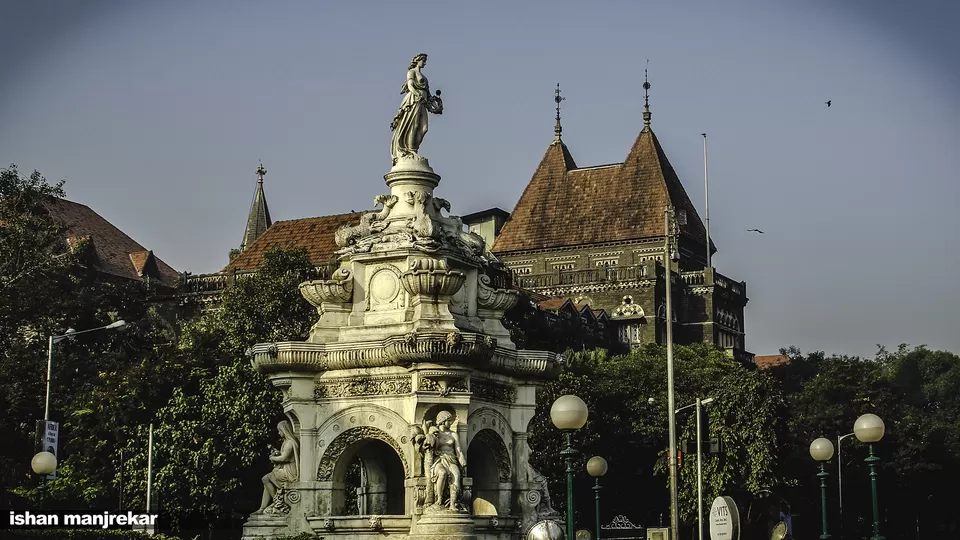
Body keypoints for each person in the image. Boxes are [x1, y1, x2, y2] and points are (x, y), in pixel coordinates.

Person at [390, 53, 442, 164]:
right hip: (413, 101)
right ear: (418, 60)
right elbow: (410, 86)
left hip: (422, 102)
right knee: (414, 125)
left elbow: (428, 96)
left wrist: (436, 106)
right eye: (423, 60)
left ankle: (413, 149)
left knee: (424, 128)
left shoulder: (424, 77)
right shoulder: (412, 72)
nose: (425, 63)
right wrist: (417, 95)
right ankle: (411, 151)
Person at [425, 410, 466, 511]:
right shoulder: (435, 433)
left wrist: (463, 461)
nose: (451, 423)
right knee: (442, 473)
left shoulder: (453, 434)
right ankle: (439, 499)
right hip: (439, 460)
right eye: (449, 420)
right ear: (442, 421)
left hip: (452, 459)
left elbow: (458, 451)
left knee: (456, 476)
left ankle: (452, 503)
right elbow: (428, 445)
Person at [256, 420, 300, 513]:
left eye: (279, 430)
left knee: (266, 478)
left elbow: (284, 458)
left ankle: (278, 502)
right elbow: (285, 455)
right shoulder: (287, 442)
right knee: (266, 480)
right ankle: (262, 508)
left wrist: (273, 458)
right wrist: (277, 454)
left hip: (290, 472)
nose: (279, 433)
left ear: (284, 430)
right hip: (286, 469)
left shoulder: (290, 442)